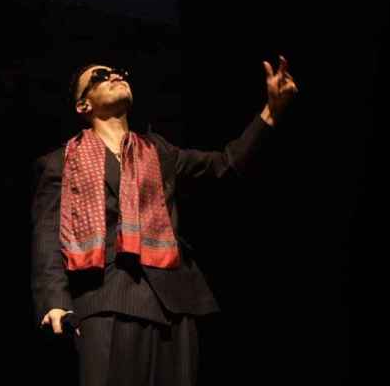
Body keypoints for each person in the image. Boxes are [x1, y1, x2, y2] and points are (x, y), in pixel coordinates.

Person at [31, 57, 298, 385]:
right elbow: (46, 234)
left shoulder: (158, 152)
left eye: (120, 72)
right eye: (101, 76)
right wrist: (54, 301)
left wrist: (271, 112)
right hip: (105, 300)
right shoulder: (61, 162)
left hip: (174, 304)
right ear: (83, 104)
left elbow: (225, 165)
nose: (115, 75)